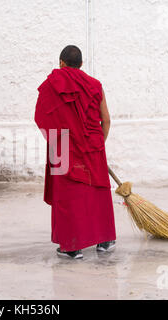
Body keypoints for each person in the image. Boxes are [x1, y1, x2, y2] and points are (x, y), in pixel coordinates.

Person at [34, 45, 116, 259]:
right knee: (97, 192)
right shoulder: (95, 85)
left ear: (61, 62)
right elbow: (105, 119)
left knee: (69, 196)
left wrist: (57, 141)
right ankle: (104, 241)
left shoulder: (51, 84)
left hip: (64, 149)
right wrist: (98, 144)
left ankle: (72, 247)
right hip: (93, 146)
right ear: (81, 64)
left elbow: (41, 118)